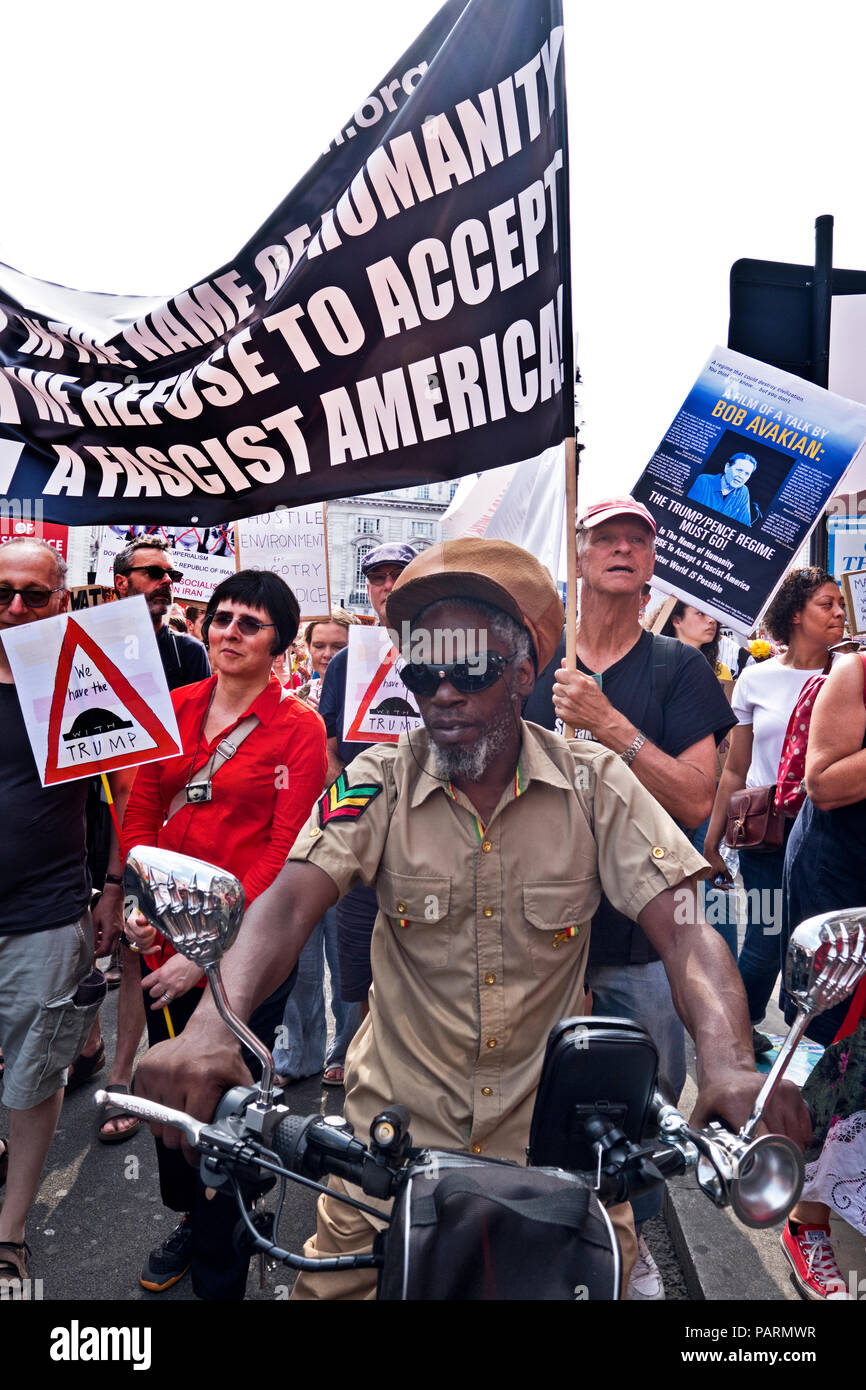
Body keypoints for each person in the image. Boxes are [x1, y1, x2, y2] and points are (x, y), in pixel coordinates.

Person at [135, 537, 810, 1302]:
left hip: (557, 1165)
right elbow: (289, 900)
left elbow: (686, 925)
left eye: (472, 670)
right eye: (425, 671)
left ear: (525, 675)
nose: (444, 694)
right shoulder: (374, 779)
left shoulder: (594, 784)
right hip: (381, 1164)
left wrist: (726, 1060)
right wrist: (210, 1031)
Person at [523, 495, 735, 1298]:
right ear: (579, 557)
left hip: (644, 942)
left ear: (652, 563)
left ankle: (632, 1248)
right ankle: (554, 1243)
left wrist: (609, 723)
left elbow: (693, 798)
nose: (620, 549)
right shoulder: (534, 664)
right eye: (603, 537)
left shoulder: (679, 669)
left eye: (635, 540)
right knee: (532, 1108)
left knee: (642, 1117)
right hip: (538, 936)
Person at [121, 569, 327, 1297]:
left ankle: (221, 1253)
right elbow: (141, 809)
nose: (230, 632)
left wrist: (209, 955)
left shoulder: (300, 728)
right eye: (222, 618)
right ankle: (189, 1213)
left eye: (250, 623)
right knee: (164, 1082)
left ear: (281, 645)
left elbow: (286, 851)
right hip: (161, 943)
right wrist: (141, 907)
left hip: (249, 953)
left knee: (222, 1106)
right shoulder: (171, 708)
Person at [0, 538, 122, 1288]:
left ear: (62, 602)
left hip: (46, 913)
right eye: (1, 591)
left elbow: (122, 791)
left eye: (33, 595)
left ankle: (10, 1229)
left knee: (37, 1074)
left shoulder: (83, 683)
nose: (14, 606)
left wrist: (111, 886)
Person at [703, 568, 846, 1052]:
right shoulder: (756, 678)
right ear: (796, 614)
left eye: (841, 604)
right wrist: (713, 838)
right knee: (766, 940)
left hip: (831, 836)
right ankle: (732, 1042)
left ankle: (820, 1047)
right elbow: (735, 767)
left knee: (824, 945)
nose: (839, 613)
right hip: (766, 834)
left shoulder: (847, 676)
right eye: (827, 604)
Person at [96, 539, 210, 1143]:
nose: (166, 581)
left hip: (152, 824)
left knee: (140, 947)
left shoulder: (188, 655)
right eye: (152, 573)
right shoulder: (79, 645)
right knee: (78, 948)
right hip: (82, 818)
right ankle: (87, 1043)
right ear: (120, 582)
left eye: (170, 573)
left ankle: (123, 1072)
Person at [777, 651, 866, 1299]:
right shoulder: (856, 672)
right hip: (842, 891)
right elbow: (824, 781)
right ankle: (804, 1219)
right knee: (831, 1051)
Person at [318, 543, 416, 1014]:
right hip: (363, 837)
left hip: (429, 835)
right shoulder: (344, 662)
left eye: (399, 574)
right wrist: (359, 806)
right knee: (359, 966)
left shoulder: (452, 651)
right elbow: (329, 748)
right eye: (378, 577)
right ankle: (364, 1057)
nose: (388, 586)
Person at [273, 607, 362, 1086]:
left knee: (346, 958)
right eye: (321, 645)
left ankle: (345, 1050)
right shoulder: (289, 701)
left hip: (349, 843)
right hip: (297, 847)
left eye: (339, 646)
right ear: (307, 648)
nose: (329, 654)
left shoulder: (371, 695)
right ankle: (296, 1055)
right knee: (298, 960)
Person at [650, 600, 736, 957]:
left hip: (711, 790)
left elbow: (728, 742)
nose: (710, 619)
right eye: (699, 613)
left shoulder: (720, 670)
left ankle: (723, 974)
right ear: (676, 620)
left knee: (714, 884)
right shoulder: (655, 666)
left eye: (711, 613)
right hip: (664, 791)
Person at [687, 452, 757, 527]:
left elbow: (745, 525)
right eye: (739, 470)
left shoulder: (743, 491)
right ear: (727, 467)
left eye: (747, 474)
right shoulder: (703, 481)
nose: (741, 476)